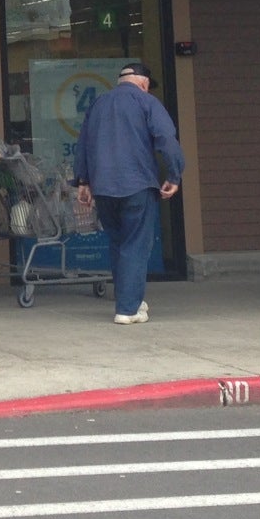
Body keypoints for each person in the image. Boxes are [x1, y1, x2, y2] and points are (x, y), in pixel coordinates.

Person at [72, 61, 184, 325]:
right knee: (135, 244)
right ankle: (128, 308)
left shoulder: (98, 104)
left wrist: (83, 181)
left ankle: (129, 298)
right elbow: (166, 138)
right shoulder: (147, 103)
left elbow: (84, 143)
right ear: (144, 83)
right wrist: (174, 174)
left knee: (119, 243)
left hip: (103, 187)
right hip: (137, 183)